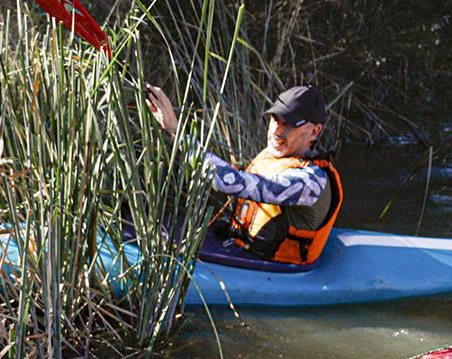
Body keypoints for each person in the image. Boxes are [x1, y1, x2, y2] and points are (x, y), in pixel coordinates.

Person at [145, 84, 343, 266]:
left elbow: (225, 181)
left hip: (273, 268)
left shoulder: (312, 181)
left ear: (315, 132)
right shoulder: (276, 157)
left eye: (289, 124)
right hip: (239, 246)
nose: (277, 131)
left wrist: (175, 130)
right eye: (275, 119)